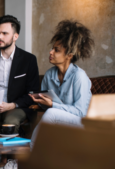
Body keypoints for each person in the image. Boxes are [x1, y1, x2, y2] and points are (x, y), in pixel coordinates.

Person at [0, 15, 39, 168]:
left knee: (10, 123)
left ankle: (6, 162)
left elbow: (33, 93)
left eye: (4, 33)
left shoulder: (29, 59)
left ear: (15, 36)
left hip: (16, 106)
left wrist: (12, 105)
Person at [29, 20, 94, 149]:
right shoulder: (49, 75)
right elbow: (48, 107)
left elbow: (80, 112)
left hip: (82, 122)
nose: (51, 52)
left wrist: (52, 105)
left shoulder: (79, 76)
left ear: (69, 55)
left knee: (51, 114)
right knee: (50, 114)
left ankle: (27, 159)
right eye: (52, 48)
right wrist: (41, 101)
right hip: (58, 120)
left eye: (56, 50)